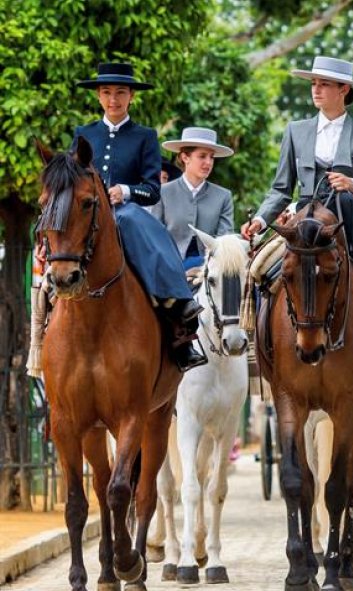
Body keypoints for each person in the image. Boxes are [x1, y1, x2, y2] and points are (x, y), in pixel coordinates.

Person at [240, 56, 353, 365]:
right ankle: (256, 340)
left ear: (343, 89)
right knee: (259, 268)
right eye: (314, 83)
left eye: (324, 84)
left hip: (345, 217)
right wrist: (261, 220)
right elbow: (281, 188)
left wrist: (350, 183)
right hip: (303, 218)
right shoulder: (295, 131)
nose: (316, 90)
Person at [72, 62, 206, 371]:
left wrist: (125, 192)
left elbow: (152, 189)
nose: (113, 100)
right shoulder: (84, 133)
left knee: (131, 221)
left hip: (126, 211)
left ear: (131, 96)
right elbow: (71, 179)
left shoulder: (145, 136)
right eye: (106, 93)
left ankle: (178, 310)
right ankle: (41, 336)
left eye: (120, 93)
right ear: (98, 97)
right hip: (88, 215)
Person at [150, 127, 235, 270]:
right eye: (202, 156)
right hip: (168, 268)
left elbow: (224, 242)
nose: (208, 162)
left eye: (211, 157)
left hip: (210, 272)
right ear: (185, 157)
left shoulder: (223, 196)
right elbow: (155, 237)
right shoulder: (163, 192)